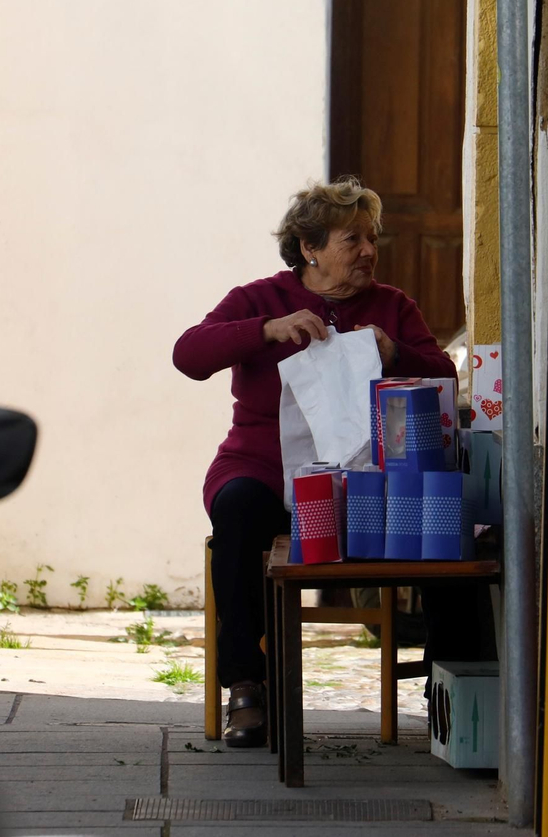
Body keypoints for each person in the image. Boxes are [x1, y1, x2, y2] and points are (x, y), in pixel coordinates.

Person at [173, 176, 457, 747]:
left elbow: (444, 378)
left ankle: (450, 684)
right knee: (237, 511)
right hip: (263, 468)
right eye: (352, 239)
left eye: (371, 238)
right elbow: (189, 354)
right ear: (310, 248)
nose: (368, 251)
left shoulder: (391, 307)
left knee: (447, 519)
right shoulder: (260, 298)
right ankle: (247, 685)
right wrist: (266, 330)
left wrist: (395, 352)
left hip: (365, 482)